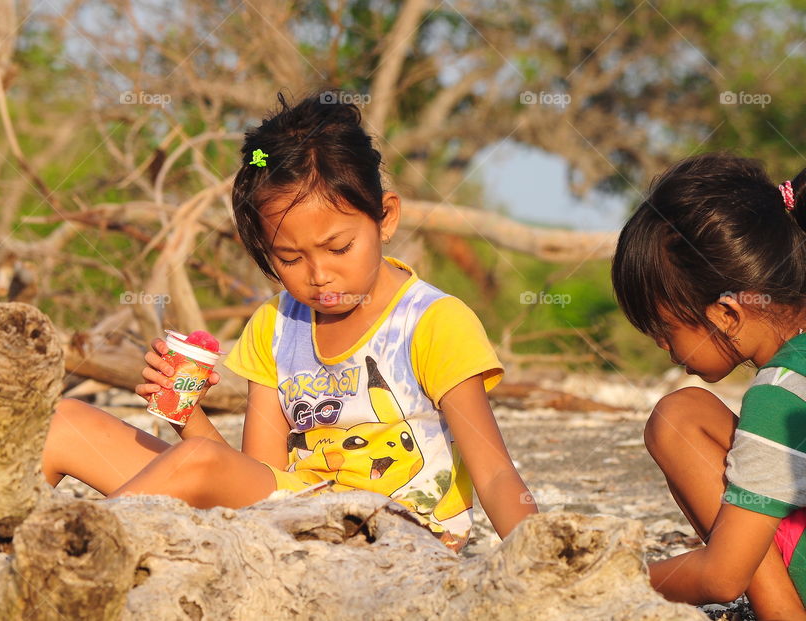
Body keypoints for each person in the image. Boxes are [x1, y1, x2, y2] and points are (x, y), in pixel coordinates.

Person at [42, 92, 536, 550]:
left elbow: (493, 474)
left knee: (195, 465)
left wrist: (545, 560)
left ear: (385, 218)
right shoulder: (276, 326)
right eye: (290, 258)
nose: (320, 275)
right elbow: (255, 478)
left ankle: (73, 562)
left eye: (339, 247)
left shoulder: (432, 321)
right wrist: (185, 416)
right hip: (292, 522)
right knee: (63, 423)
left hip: (397, 539)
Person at [612, 152, 806, 619]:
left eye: (663, 328)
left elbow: (720, 577)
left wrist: (607, 581)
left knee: (674, 421)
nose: (664, 346)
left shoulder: (780, 391)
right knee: (689, 414)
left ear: (726, 314)